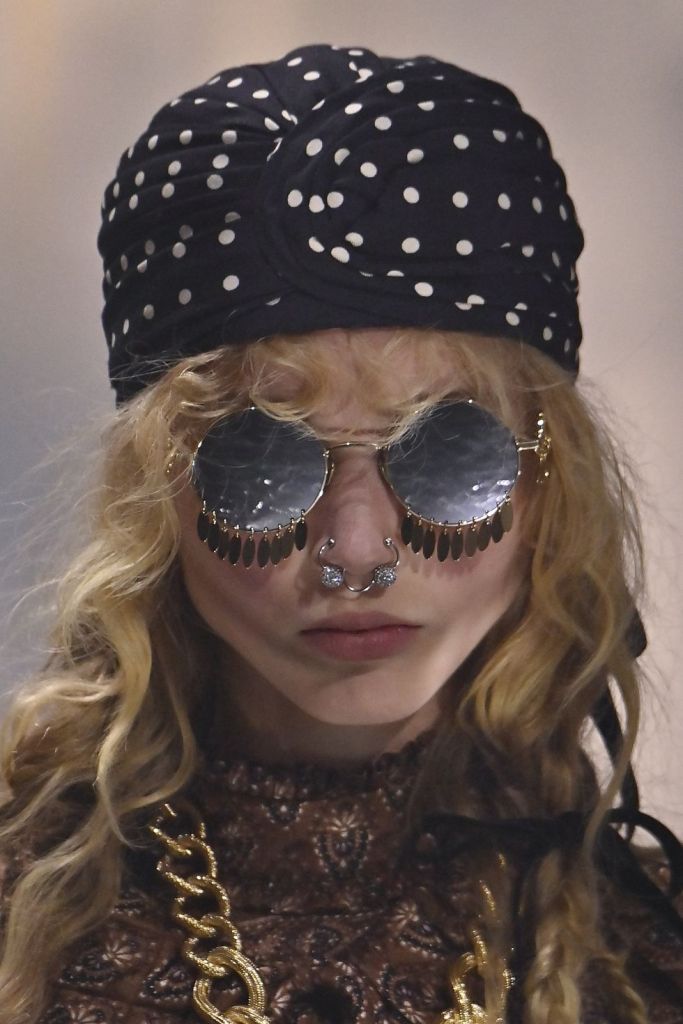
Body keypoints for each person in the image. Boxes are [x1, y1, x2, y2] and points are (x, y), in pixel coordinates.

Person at [0, 44, 680, 1024]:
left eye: (448, 450)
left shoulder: (648, 962)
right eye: (258, 460)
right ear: (152, 497)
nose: (356, 552)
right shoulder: (21, 941)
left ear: (550, 482)